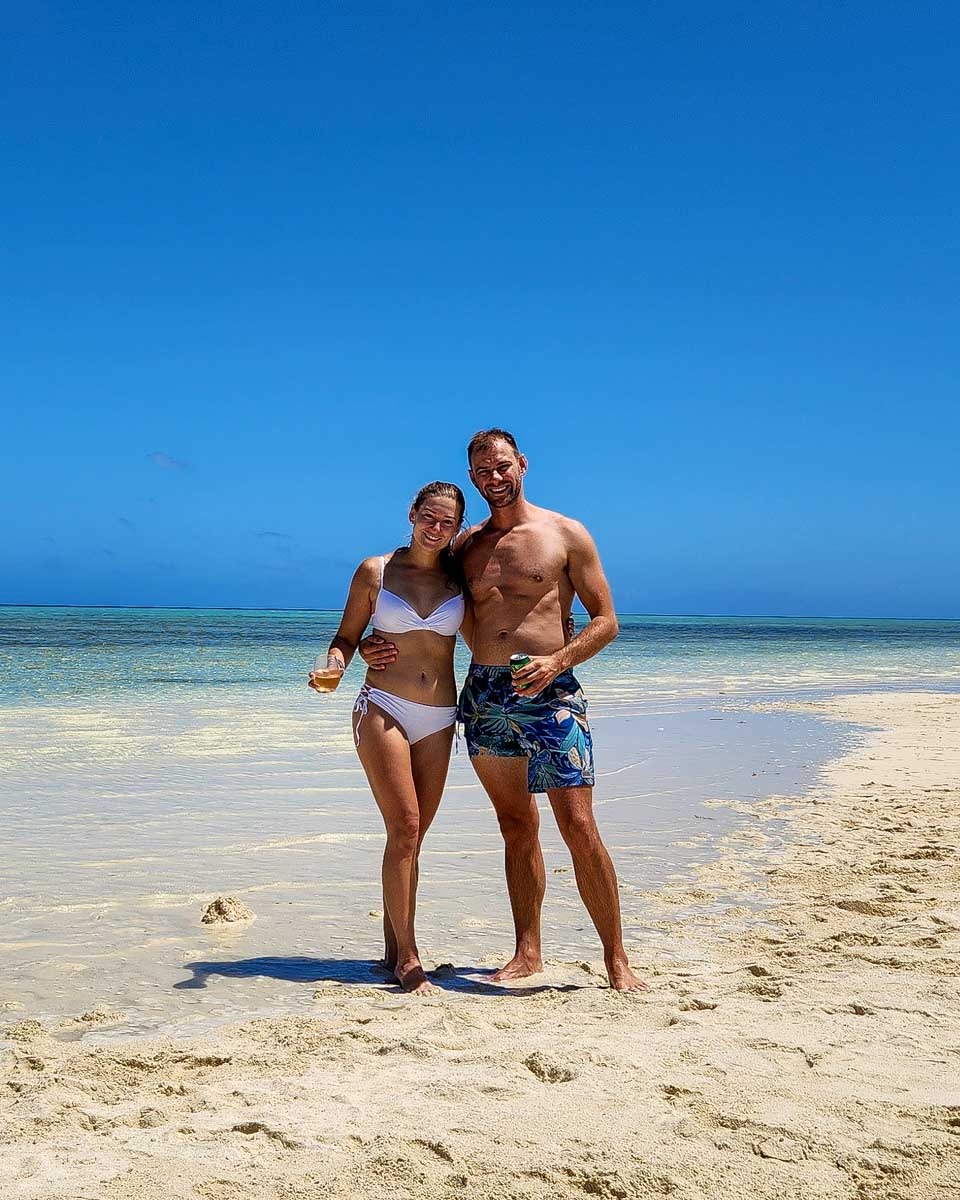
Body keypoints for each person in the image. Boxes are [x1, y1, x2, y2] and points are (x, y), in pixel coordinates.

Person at [361, 430, 646, 992]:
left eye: (500, 466)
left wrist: (557, 660)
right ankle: (527, 952)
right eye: (482, 471)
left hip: (552, 692)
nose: (493, 478)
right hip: (487, 695)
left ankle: (616, 959)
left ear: (521, 463)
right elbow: (420, 604)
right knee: (515, 825)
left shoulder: (565, 533)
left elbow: (606, 620)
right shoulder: (463, 547)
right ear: (472, 477)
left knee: (579, 825)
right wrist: (372, 644)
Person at [310, 481, 468, 994]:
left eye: (448, 522)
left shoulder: (460, 577)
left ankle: (390, 947)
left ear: (458, 528)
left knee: (413, 838)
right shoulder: (375, 571)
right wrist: (333, 665)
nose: (436, 528)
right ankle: (410, 958)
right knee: (405, 825)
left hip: (442, 715)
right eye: (429, 517)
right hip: (384, 706)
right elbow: (345, 638)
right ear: (412, 513)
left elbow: (505, 619)